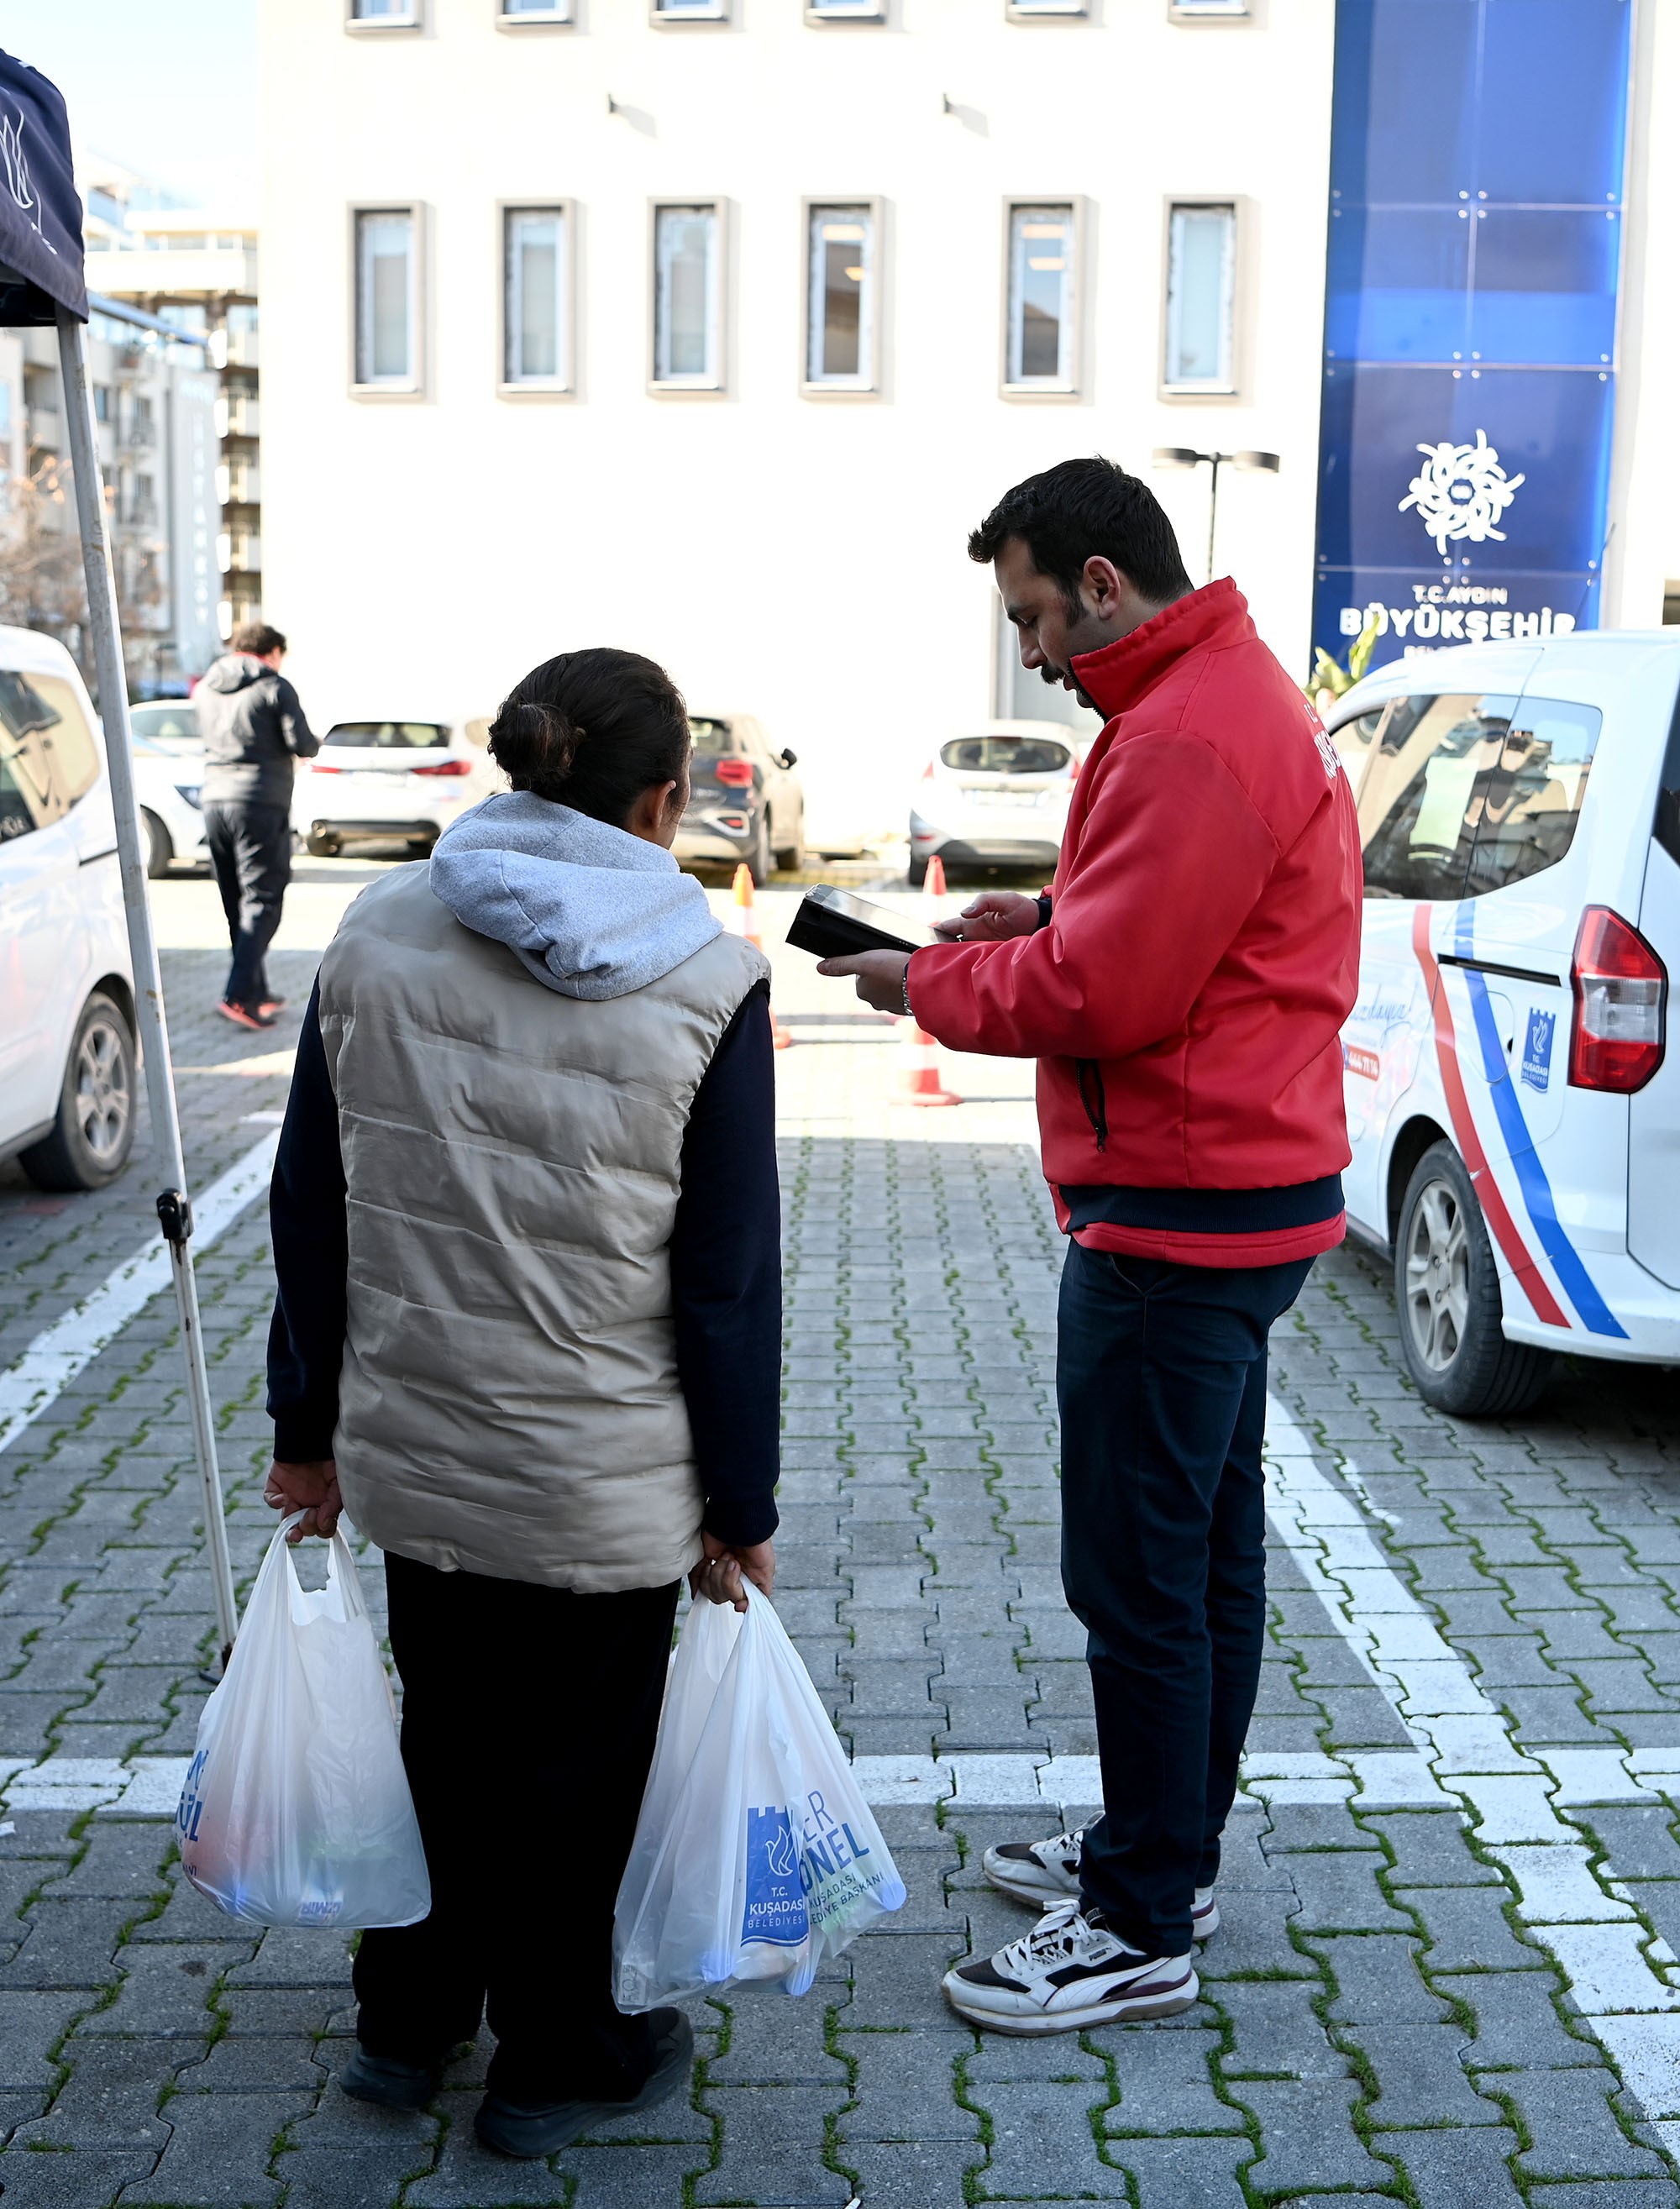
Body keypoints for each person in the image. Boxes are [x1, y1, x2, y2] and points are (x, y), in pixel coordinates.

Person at [819, 457, 1361, 2034]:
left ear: (1106, 582)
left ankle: (1136, 1922)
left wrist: (920, 986)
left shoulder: (1190, 729)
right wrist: (1033, 925)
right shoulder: (1221, 698)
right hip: (1242, 1190)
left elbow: (1109, 997)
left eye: (1039, 614)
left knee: (1140, 1572)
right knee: (1201, 1558)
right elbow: (1150, 932)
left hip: (1178, 1216)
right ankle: (1160, 1852)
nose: (1037, 649)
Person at [261, 648, 780, 2156]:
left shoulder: (374, 930)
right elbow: (727, 1279)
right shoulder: (707, 977)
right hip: (601, 1476)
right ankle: (560, 2059)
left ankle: (405, 2027)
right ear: (666, 798)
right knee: (576, 1769)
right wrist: (739, 1506)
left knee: (446, 1729)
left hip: (417, 1452)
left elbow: (312, 1205)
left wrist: (306, 1431)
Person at [196, 620, 318, 1029]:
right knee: (264, 900)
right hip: (260, 802)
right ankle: (236, 994)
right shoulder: (275, 687)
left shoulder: (206, 688)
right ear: (271, 652)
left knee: (237, 900)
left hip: (213, 800)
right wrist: (314, 741)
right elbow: (301, 743)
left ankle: (255, 990)